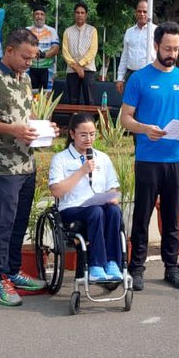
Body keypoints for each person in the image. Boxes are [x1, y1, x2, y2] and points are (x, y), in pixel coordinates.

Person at [0, 28, 52, 306]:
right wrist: (11, 130)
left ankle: (14, 271)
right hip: (3, 167)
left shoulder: (24, 79)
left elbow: (25, 115)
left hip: (26, 162)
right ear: (9, 51)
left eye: (33, 57)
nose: (30, 62)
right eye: (26, 57)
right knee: (2, 225)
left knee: (19, 223)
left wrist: (41, 126)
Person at [120, 21, 179, 292]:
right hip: (148, 159)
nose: (172, 54)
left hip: (176, 158)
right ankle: (136, 268)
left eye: (176, 49)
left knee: (172, 217)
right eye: (167, 48)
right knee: (142, 216)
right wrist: (144, 129)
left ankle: (171, 267)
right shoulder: (139, 79)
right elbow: (125, 118)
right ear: (155, 46)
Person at [49, 112, 123, 283]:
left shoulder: (102, 158)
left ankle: (113, 263)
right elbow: (57, 191)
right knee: (96, 212)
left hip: (98, 206)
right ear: (72, 134)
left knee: (113, 211)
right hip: (71, 208)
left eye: (92, 134)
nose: (88, 139)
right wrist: (82, 171)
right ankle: (96, 265)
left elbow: (113, 186)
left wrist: (113, 197)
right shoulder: (60, 159)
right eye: (83, 134)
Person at [116, 0, 156, 93]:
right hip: (132, 75)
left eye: (145, 11)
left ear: (149, 13)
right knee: (130, 105)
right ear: (135, 13)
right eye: (139, 11)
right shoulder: (129, 32)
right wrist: (120, 78)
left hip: (150, 74)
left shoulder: (156, 31)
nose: (142, 14)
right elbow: (125, 56)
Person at [62, 0, 98, 105]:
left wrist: (80, 65)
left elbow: (92, 51)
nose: (80, 15)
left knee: (90, 100)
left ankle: (90, 121)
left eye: (82, 13)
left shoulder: (92, 30)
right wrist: (76, 67)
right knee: (73, 101)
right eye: (77, 13)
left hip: (88, 70)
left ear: (86, 15)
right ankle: (73, 121)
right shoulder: (67, 31)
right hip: (72, 71)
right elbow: (65, 51)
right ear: (74, 14)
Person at [28, 5, 60, 91]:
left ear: (45, 16)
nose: (39, 16)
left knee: (46, 96)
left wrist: (44, 54)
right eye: (37, 14)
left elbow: (56, 48)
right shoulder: (27, 30)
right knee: (31, 96)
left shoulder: (52, 31)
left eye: (42, 14)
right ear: (33, 16)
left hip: (47, 68)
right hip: (30, 68)